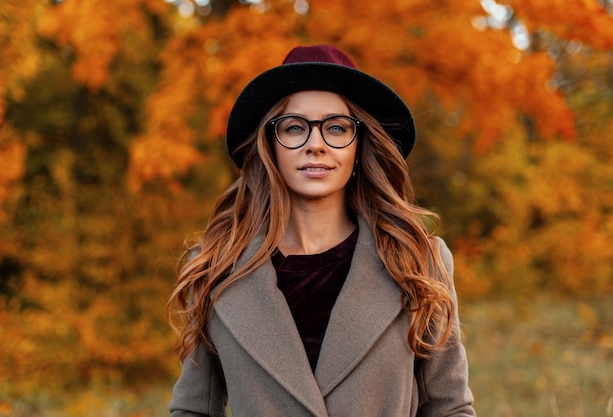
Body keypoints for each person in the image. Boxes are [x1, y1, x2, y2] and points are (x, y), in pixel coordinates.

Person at [167, 44, 476, 417]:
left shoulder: (417, 260)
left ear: (359, 146)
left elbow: (450, 408)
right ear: (270, 144)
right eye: (295, 127)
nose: (316, 145)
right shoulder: (215, 268)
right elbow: (192, 410)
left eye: (336, 128)